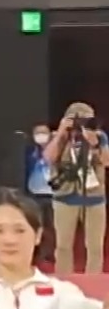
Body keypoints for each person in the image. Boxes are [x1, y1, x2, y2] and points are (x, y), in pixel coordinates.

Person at [43, 103, 107, 273]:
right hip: (64, 197)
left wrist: (95, 145)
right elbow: (48, 158)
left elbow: (107, 161)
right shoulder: (58, 136)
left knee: (95, 247)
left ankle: (94, 281)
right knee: (63, 246)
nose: (81, 125)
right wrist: (61, 133)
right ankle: (64, 279)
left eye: (87, 120)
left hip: (94, 198)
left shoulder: (99, 136)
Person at [28, 124, 56, 264]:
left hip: (52, 194)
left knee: (51, 226)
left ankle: (49, 253)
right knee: (35, 224)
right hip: (35, 194)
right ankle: (35, 252)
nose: (41, 136)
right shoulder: (31, 151)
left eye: (43, 133)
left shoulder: (56, 150)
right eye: (38, 133)